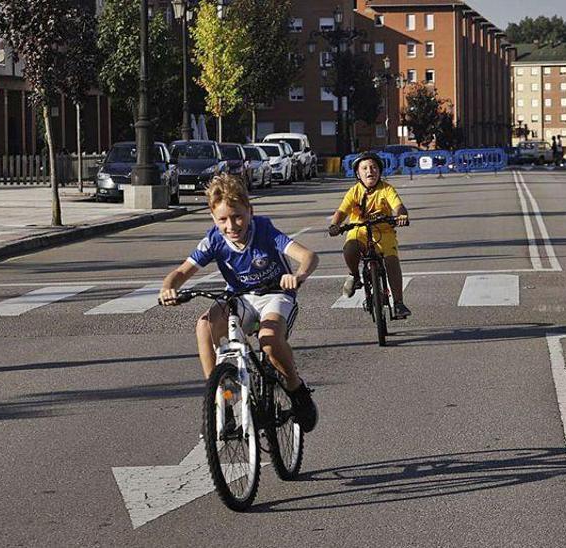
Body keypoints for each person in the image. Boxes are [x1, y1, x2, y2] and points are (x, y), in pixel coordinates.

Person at [159, 174, 319, 432]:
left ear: (250, 211)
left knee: (269, 341)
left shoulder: (264, 230)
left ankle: (296, 389)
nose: (231, 225)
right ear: (213, 218)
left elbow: (308, 256)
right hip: (240, 298)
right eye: (222, 219)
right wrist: (168, 288)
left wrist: (298, 275)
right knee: (204, 326)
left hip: (275, 295)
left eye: (238, 216)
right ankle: (221, 400)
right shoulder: (214, 239)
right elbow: (181, 272)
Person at [327, 152, 412, 319]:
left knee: (392, 261)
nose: (369, 171)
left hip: (384, 231)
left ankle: (399, 303)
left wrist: (401, 216)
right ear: (358, 174)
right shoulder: (354, 191)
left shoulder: (386, 189)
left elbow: (398, 206)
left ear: (379, 171)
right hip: (359, 230)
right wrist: (334, 225)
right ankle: (354, 275)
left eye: (373, 167)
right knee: (350, 247)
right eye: (364, 168)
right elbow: (341, 211)